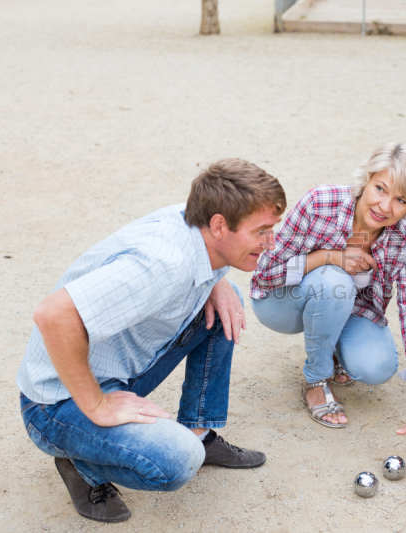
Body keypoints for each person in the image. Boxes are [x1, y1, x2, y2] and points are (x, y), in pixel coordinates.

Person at [16, 159, 286, 522]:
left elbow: (208, 264)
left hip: (119, 369)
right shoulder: (163, 264)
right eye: (262, 231)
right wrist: (97, 404)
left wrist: (216, 282)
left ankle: (200, 430)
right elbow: (52, 314)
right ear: (220, 225)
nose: (271, 242)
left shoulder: (204, 230)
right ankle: (82, 465)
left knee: (228, 298)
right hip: (56, 403)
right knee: (178, 460)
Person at [250, 142, 406, 463]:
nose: (384, 206)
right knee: (334, 281)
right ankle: (316, 380)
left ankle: (335, 348)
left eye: (401, 200)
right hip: (281, 301)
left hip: (349, 309)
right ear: (366, 179)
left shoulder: (405, 239)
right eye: (380, 188)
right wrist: (331, 257)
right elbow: (265, 272)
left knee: (377, 367)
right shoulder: (319, 203)